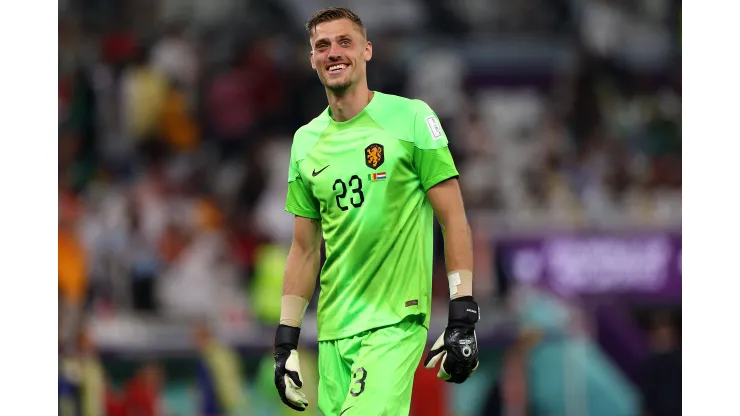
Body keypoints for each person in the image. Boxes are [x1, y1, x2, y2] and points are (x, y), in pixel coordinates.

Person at [273, 7, 480, 416]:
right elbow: (304, 249)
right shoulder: (305, 142)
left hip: (394, 322)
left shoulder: (412, 118)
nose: (333, 52)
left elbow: (453, 218)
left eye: (344, 42)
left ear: (366, 51)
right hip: (333, 330)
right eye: (322, 45)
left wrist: (463, 313)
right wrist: (285, 343)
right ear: (312, 59)